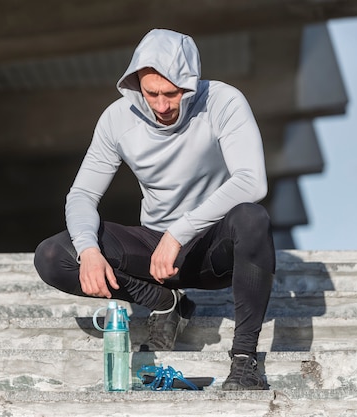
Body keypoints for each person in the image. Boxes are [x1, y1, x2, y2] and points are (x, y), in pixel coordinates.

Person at [34, 28, 275, 391]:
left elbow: (252, 181)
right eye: (151, 93)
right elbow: (82, 193)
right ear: (135, 85)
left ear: (190, 85)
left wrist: (180, 232)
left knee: (253, 218)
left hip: (212, 249)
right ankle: (164, 302)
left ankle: (244, 362)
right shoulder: (117, 119)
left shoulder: (224, 102)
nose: (161, 105)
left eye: (172, 94)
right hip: (153, 255)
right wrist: (88, 249)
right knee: (54, 255)